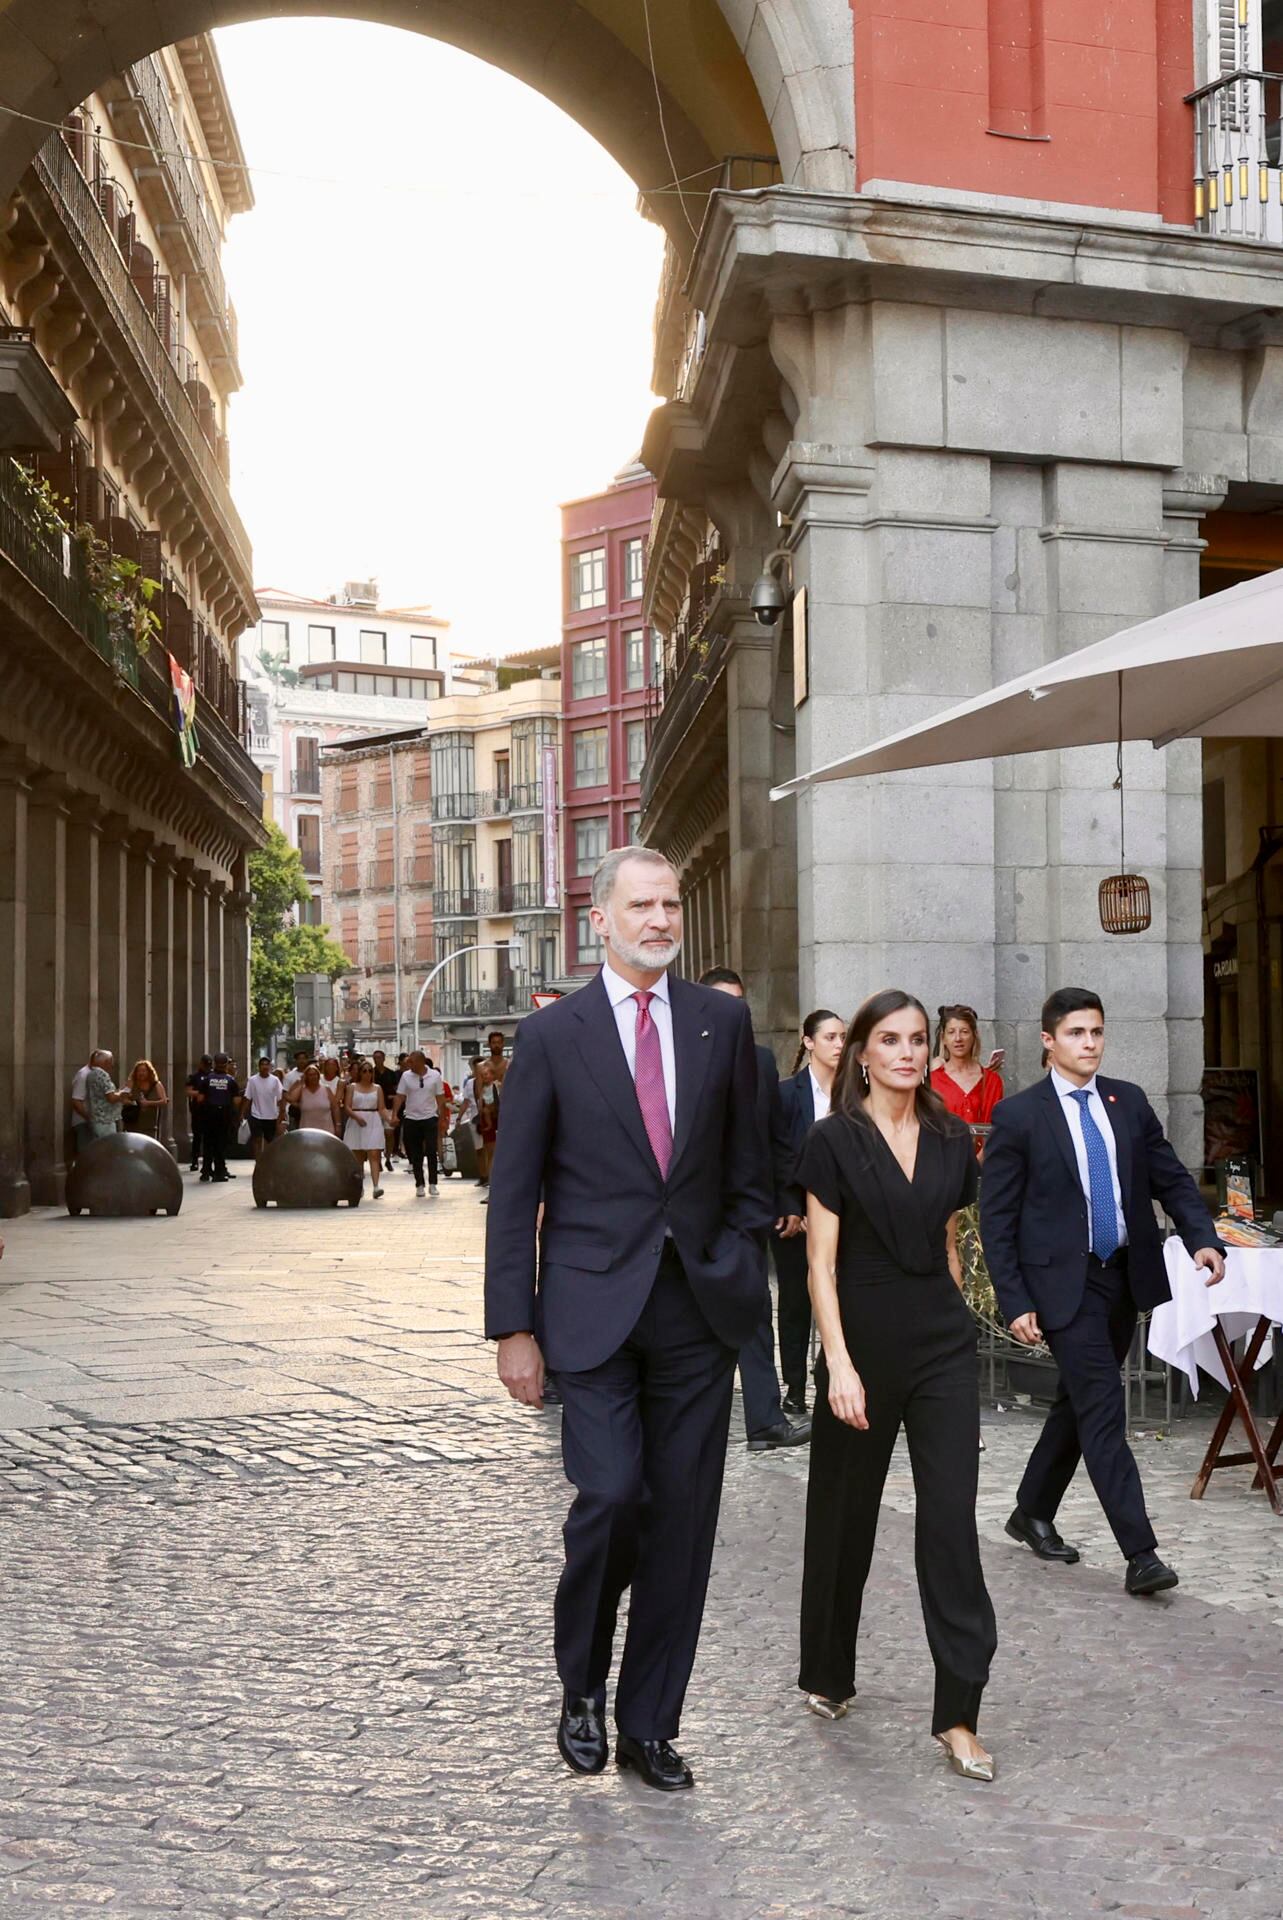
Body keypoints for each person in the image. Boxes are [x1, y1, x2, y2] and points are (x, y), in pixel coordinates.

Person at [486, 847, 770, 1793]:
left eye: (671, 905)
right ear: (598, 920)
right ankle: (581, 1688)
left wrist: (736, 1255)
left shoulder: (719, 1023)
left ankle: (651, 1725)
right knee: (610, 1499)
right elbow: (512, 1188)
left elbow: (746, 1167)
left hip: (695, 1310)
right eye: (641, 905)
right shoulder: (554, 1036)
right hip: (588, 1312)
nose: (660, 920)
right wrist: (511, 1327)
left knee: (682, 1524)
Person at [796, 989, 998, 1781]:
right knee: (844, 1518)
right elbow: (818, 1264)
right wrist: (837, 1364)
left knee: (948, 1522)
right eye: (891, 1039)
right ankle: (827, 1672)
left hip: (941, 1348)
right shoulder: (831, 1141)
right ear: (863, 1055)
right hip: (863, 1346)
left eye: (918, 1039)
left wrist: (974, 1315)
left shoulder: (953, 1140)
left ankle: (957, 1714)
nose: (909, 1052)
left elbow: (951, 1242)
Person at [981, 987, 1226, 1596]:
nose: (1088, 1044)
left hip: (1121, 1276)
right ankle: (1140, 1554)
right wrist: (1015, 1302)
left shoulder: (1128, 1102)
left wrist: (1202, 1237)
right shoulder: (1020, 1116)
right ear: (1048, 1040)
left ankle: (1031, 1509)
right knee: (1102, 1409)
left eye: (1095, 1032)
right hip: (1061, 1287)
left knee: (1079, 1401)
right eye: (1075, 1034)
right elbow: (997, 1220)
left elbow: (1169, 1176)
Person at [699, 967, 810, 1452]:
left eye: (740, 1003)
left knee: (755, 1309)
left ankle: (765, 1421)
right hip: (690, 1217)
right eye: (724, 1002)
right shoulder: (676, 1056)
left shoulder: (762, 1062)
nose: (734, 1012)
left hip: (746, 1215)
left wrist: (786, 1198)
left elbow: (775, 1137)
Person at [773, 1009, 847, 1416]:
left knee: (846, 1295)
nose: (839, 1044)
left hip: (847, 1213)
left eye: (843, 1037)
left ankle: (835, 1375)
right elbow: (778, 1154)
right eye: (831, 1037)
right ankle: (795, 1387)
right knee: (797, 1300)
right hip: (796, 1216)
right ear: (809, 1042)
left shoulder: (856, 1093)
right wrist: (790, 1207)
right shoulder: (787, 1094)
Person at [930, 1005, 1004, 1150]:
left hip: (983, 1165)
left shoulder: (991, 1081)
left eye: (964, 1032)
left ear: (974, 1035)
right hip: (942, 1163)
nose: (958, 1038)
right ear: (943, 1038)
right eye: (951, 1032)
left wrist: (978, 1162)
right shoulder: (933, 1080)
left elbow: (995, 1128)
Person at [393, 1050, 447, 1197]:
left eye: (412, 1062)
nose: (409, 1064)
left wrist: (443, 1119)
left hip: (430, 1117)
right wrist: (394, 1114)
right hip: (411, 1118)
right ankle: (419, 1184)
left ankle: (433, 1183)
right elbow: (400, 1096)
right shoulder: (406, 1076)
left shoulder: (435, 1076)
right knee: (415, 1153)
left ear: (421, 1062)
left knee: (431, 1151)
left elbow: (441, 1098)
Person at [344, 1060, 388, 1197]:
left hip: (373, 1120)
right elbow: (347, 1106)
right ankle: (360, 1186)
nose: (367, 1073)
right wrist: (357, 1117)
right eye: (364, 1071)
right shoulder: (352, 1087)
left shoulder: (377, 1088)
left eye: (370, 1071)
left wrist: (390, 1120)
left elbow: (382, 1108)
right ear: (359, 1073)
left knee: (374, 1153)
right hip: (356, 1121)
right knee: (358, 1156)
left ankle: (376, 1186)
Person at [196, 1054, 242, 1183]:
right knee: (220, 1144)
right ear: (226, 1064)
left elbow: (200, 1098)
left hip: (209, 1115)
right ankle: (219, 1172)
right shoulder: (231, 1081)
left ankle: (206, 1171)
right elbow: (236, 1101)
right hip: (224, 1116)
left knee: (208, 1144)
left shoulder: (207, 1079)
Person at [473, 1030, 508, 1196]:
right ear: (489, 1044)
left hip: (507, 1114)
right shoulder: (481, 1067)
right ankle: (492, 1189)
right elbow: (478, 1092)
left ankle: (506, 1188)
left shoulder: (510, 1064)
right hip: (488, 1114)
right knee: (490, 1151)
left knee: (508, 1150)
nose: (496, 1045)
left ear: (503, 1044)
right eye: (493, 1042)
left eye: (499, 1042)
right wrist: (482, 1112)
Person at [83, 1050, 131, 1139]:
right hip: (105, 1120)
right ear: (106, 1062)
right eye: (111, 1061)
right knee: (108, 1148)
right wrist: (125, 1092)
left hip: (96, 1118)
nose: (112, 1065)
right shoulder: (102, 1074)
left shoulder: (91, 1074)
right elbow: (111, 1098)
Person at [245, 1058, 286, 1157]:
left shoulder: (275, 1080)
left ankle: (267, 1162)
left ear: (270, 1067)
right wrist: (242, 1114)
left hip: (271, 1116)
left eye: (267, 1064)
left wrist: (282, 1113)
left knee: (270, 1141)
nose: (265, 1067)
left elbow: (281, 1098)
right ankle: (258, 1162)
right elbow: (247, 1097)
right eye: (262, 1064)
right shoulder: (252, 1080)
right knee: (257, 1139)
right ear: (259, 1067)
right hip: (256, 1115)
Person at [373, 1050, 403, 1172]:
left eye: (379, 1057)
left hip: (389, 1107)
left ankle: (388, 1158)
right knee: (376, 1134)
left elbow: (397, 1090)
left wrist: (394, 1097)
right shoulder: (371, 1073)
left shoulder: (391, 1074)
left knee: (389, 1133)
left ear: (384, 1058)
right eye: (375, 1058)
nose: (377, 1060)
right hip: (375, 1108)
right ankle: (378, 1160)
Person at [289, 1062, 340, 1133]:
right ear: (306, 1077)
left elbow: (335, 1107)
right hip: (307, 1130)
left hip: (326, 1130)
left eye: (315, 1074)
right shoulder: (302, 1090)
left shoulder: (326, 1089)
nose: (313, 1077)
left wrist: (338, 1125)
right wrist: (301, 1083)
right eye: (310, 1075)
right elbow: (291, 1098)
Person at [121, 1059, 168, 1138]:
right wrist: (134, 1103)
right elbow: (124, 1098)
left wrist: (148, 1103)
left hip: (149, 1124)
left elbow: (164, 1101)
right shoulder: (131, 1083)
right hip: (133, 1123)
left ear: (149, 1072)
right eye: (138, 1071)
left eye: (144, 1071)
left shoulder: (156, 1084)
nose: (141, 1073)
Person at [185, 1056, 212, 1169]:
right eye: (205, 1064)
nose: (207, 1067)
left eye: (208, 1064)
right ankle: (194, 1159)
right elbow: (188, 1091)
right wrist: (202, 1093)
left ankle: (208, 1160)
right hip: (198, 1110)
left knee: (209, 1137)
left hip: (211, 1110)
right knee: (197, 1136)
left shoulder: (213, 1076)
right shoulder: (194, 1077)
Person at [69, 1054, 96, 1160]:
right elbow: (76, 1100)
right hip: (84, 1122)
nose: (110, 1066)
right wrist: (89, 1118)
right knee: (85, 1156)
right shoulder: (84, 1075)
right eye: (107, 1063)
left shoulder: (92, 1074)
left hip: (90, 1121)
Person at [282, 1048, 312, 1131]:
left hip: (310, 1109)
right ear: (296, 1060)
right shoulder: (289, 1076)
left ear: (307, 1060)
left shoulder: (313, 1074)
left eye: (304, 1058)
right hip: (294, 1110)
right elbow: (285, 1094)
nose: (302, 1061)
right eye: (299, 1059)